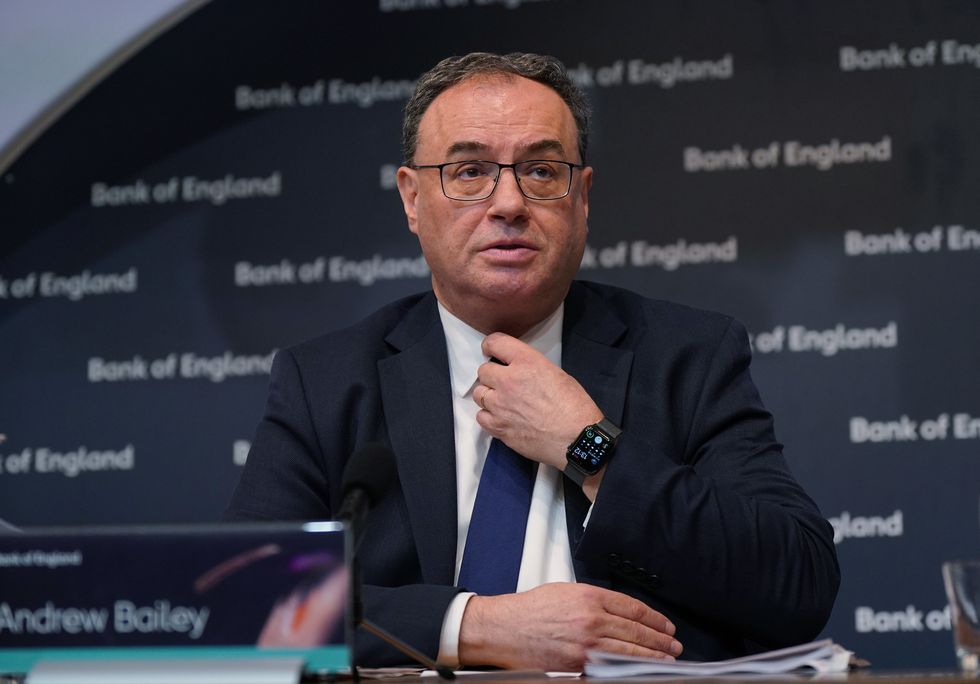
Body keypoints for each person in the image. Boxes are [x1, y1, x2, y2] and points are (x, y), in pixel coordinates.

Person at [226, 52, 839, 671]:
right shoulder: (328, 381)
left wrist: (589, 446)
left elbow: (799, 581)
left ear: (583, 196)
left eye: (542, 171)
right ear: (413, 200)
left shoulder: (687, 357)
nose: (510, 203)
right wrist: (474, 626)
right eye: (469, 172)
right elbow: (244, 602)